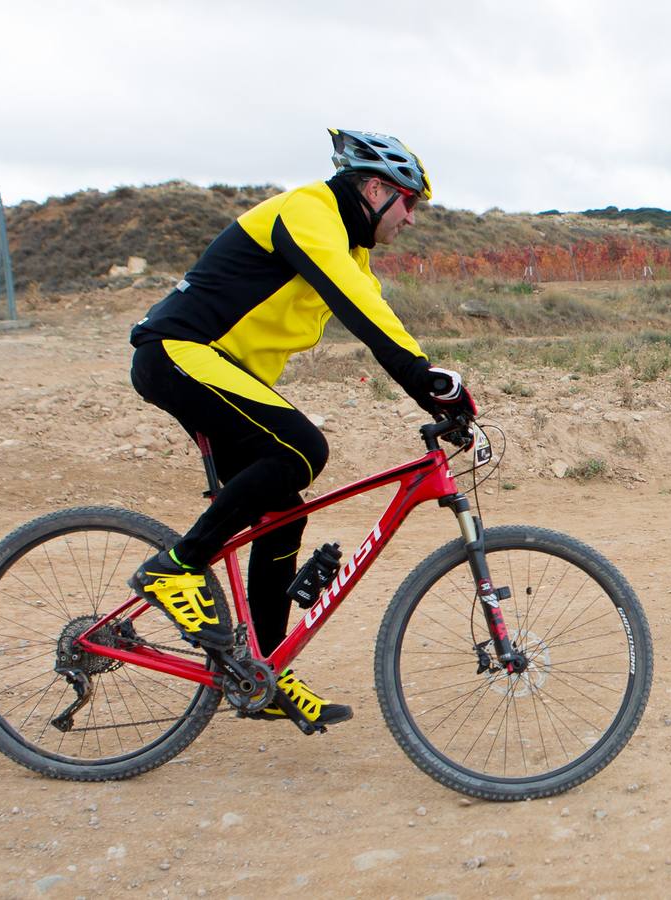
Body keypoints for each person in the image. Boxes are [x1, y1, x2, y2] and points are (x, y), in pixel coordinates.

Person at [127, 128, 474, 728]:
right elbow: (356, 311)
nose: (412, 219)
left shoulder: (351, 249)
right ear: (374, 188)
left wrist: (440, 395)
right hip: (179, 353)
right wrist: (425, 381)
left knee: (283, 509)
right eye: (410, 202)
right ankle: (177, 567)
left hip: (216, 368)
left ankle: (262, 672)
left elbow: (379, 319)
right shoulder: (308, 211)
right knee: (302, 449)